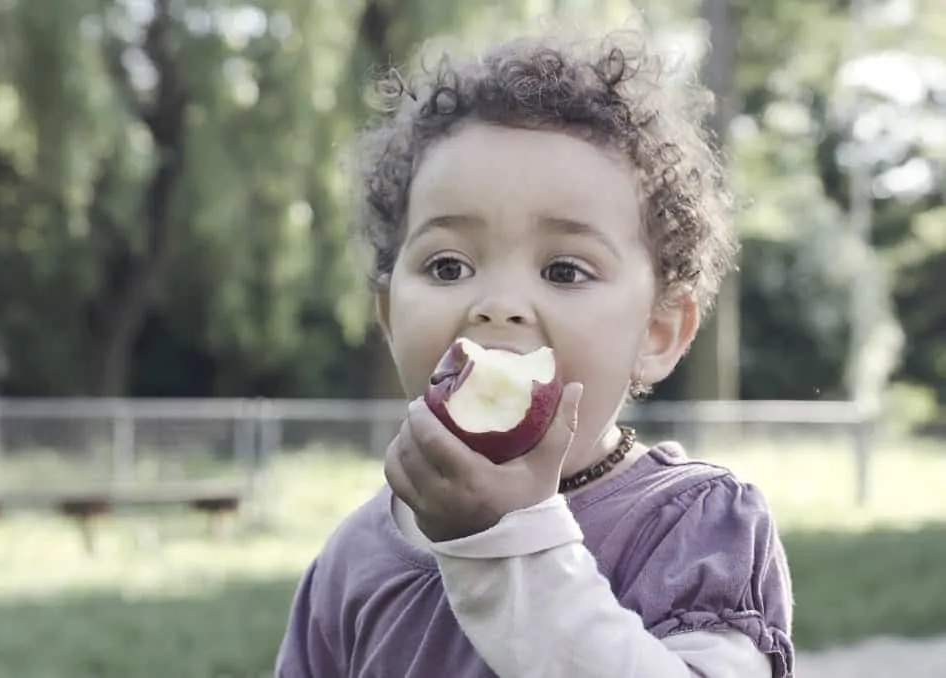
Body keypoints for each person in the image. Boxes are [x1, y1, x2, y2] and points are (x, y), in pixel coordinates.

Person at [275, 25, 795, 678]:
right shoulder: (354, 557)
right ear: (387, 315)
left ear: (658, 333)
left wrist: (506, 540)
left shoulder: (694, 527)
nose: (499, 303)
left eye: (564, 271)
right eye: (446, 266)